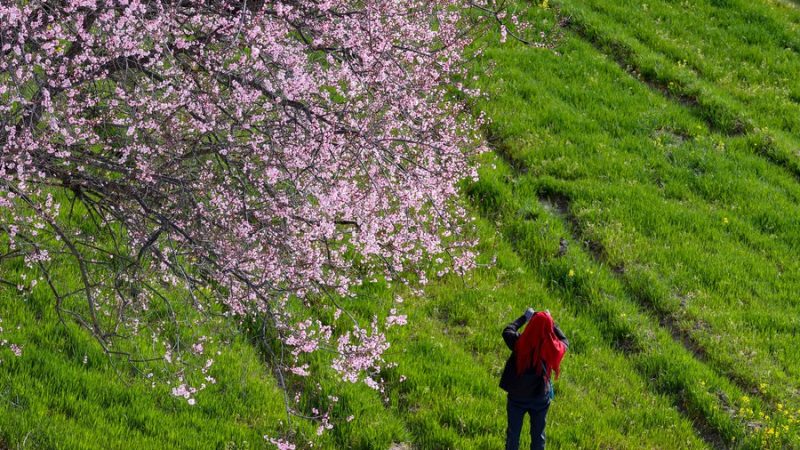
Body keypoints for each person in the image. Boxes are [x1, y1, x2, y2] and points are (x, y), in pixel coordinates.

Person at [499, 308, 568, 450]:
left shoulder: (519, 343)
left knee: (513, 435)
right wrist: (552, 322)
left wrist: (524, 317)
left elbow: (507, 331)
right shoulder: (552, 349)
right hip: (540, 398)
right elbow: (565, 341)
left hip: (517, 397)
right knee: (538, 436)